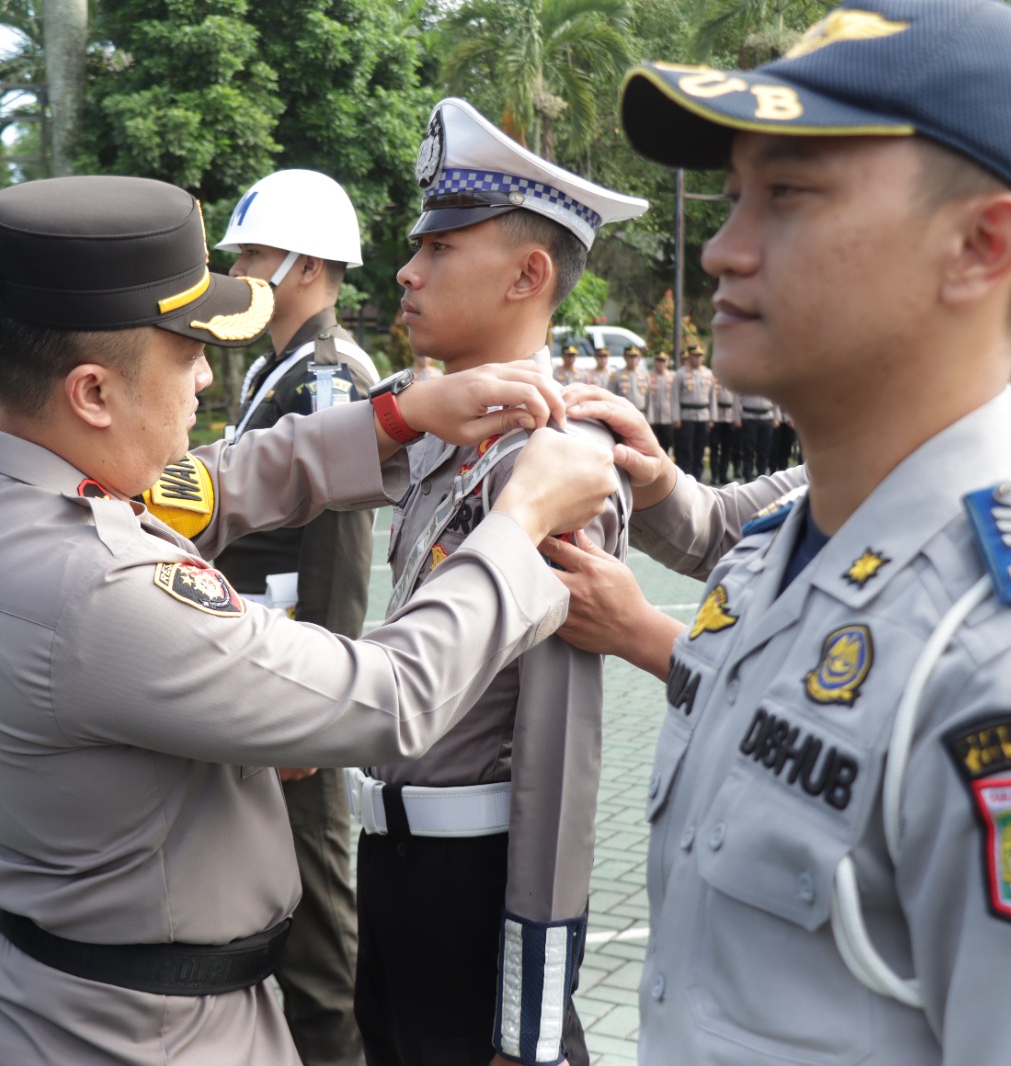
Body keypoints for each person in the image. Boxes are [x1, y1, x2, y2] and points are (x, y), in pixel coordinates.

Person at [547, 1, 1011, 1060]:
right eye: (735, 197)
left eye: (786, 196)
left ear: (980, 246)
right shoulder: (777, 554)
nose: (725, 251)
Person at [0, 173, 621, 1066]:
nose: (209, 375)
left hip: (22, 993)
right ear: (94, 394)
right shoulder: (100, 586)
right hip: (140, 1031)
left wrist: (397, 417)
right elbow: (390, 697)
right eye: (189, 352)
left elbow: (210, 486)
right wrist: (521, 524)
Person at [357, 96, 645, 1066]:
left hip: (476, 895)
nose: (407, 269)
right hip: (397, 873)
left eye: (440, 248)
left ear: (529, 273)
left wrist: (525, 1023)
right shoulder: (449, 447)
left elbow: (559, 766)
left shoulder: (549, 467)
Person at [559, 209, 1011, 581]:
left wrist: (645, 636)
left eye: (985, 320)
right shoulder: (904, 450)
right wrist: (655, 476)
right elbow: (724, 529)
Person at [211, 168, 375, 1066]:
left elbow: (342, 548)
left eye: (254, 254)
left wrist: (321, 697)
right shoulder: (278, 367)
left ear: (307, 265)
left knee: (317, 932)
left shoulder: (327, 374)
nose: (239, 269)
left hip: (294, 673)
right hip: (258, 660)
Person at [671, 343, 714, 479]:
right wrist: (676, 417)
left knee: (700, 449)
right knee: (685, 449)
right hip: (686, 416)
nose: (697, 359)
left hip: (703, 415)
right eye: (695, 356)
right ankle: (685, 477)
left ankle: (698, 477)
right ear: (689, 357)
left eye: (700, 356)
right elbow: (674, 397)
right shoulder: (680, 374)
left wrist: (712, 417)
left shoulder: (707, 373)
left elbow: (712, 397)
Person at [733, 389, 777, 479]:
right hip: (749, 417)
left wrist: (777, 416)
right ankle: (748, 475)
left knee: (764, 450)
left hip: (767, 417)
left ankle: (762, 474)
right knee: (749, 449)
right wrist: (736, 417)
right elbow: (736, 398)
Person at [645, 351, 676, 455]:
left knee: (667, 445)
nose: (661, 363)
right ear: (655, 362)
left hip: (668, 417)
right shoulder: (647, 376)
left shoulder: (673, 377)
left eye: (663, 361)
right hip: (653, 417)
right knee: (653, 446)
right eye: (659, 360)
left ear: (667, 362)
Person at [708, 376, 737, 484]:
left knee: (727, 448)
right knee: (714, 447)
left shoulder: (733, 382)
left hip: (729, 417)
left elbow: (737, 400)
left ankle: (723, 474)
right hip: (716, 417)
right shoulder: (712, 381)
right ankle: (714, 475)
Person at [614, 345, 649, 413]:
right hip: (624, 411)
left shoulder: (644, 374)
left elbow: (648, 396)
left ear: (639, 358)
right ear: (625, 358)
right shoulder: (617, 374)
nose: (633, 359)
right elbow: (612, 394)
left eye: (635, 356)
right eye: (630, 356)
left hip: (641, 411)